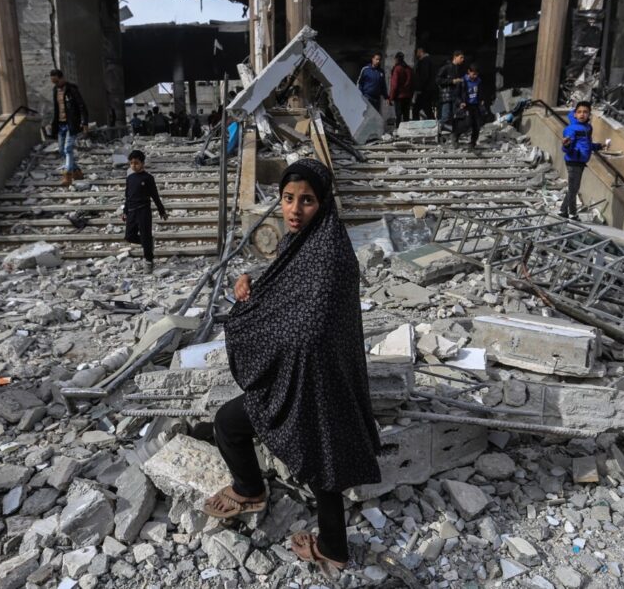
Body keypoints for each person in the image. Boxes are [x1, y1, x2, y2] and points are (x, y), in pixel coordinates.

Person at [204, 158, 381, 575]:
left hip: (316, 378)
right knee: (322, 455)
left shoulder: (331, 255)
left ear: (324, 204)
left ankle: (252, 490)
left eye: (307, 201)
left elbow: (311, 325)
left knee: (238, 426)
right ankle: (327, 542)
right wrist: (250, 284)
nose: (294, 210)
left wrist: (262, 337)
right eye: (287, 199)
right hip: (305, 374)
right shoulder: (298, 243)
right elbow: (285, 291)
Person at [122, 150, 168, 274]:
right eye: (131, 163)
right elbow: (127, 196)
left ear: (142, 163)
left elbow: (155, 195)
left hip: (144, 210)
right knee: (129, 236)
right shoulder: (130, 178)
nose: (133, 165)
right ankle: (148, 242)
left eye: (136, 163)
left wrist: (161, 210)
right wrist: (125, 211)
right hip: (131, 210)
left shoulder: (148, 178)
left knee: (145, 234)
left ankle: (149, 261)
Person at [560, 101, 606, 219]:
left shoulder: (587, 128)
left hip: (580, 162)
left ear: (589, 114)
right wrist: (566, 145)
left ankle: (563, 211)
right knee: (574, 188)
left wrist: (599, 146)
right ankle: (572, 213)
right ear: (574, 114)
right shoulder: (572, 129)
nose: (582, 114)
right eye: (579, 112)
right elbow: (566, 148)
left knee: (573, 187)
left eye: (585, 112)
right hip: (573, 160)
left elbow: (587, 145)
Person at [50, 69, 88, 186]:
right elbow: (57, 109)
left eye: (57, 81)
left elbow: (82, 106)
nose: (56, 84)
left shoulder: (72, 90)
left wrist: (84, 123)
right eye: (53, 82)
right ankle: (77, 171)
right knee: (62, 150)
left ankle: (68, 175)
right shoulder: (55, 90)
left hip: (71, 124)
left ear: (62, 78)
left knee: (68, 149)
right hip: (60, 125)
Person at [436, 50, 466, 136]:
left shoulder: (457, 69)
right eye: (461, 57)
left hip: (454, 97)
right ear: (455, 57)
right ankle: (434, 131)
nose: (462, 59)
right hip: (446, 96)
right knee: (445, 117)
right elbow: (438, 80)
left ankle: (451, 135)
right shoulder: (446, 67)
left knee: (453, 117)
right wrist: (452, 81)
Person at [460, 64, 490, 149]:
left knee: (477, 125)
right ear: (469, 72)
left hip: (476, 105)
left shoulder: (478, 81)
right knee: (467, 123)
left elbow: (480, 92)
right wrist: (461, 102)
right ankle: (456, 135)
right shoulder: (463, 81)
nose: (475, 76)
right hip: (466, 105)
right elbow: (458, 94)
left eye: (476, 74)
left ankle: (472, 143)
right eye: (473, 74)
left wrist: (482, 99)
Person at [389, 52, 414, 127]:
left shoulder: (397, 69)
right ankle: (406, 132)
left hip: (399, 97)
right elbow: (413, 84)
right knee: (406, 116)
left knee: (398, 116)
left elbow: (394, 85)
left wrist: (391, 98)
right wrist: (411, 96)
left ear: (396, 59)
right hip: (408, 97)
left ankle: (398, 131)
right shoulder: (409, 69)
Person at [412, 47, 437, 120]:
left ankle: (416, 127)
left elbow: (424, 76)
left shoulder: (425, 61)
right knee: (427, 109)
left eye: (416, 53)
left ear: (420, 52)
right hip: (428, 90)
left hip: (424, 90)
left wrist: (419, 88)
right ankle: (433, 124)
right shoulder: (429, 60)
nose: (416, 55)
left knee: (416, 109)